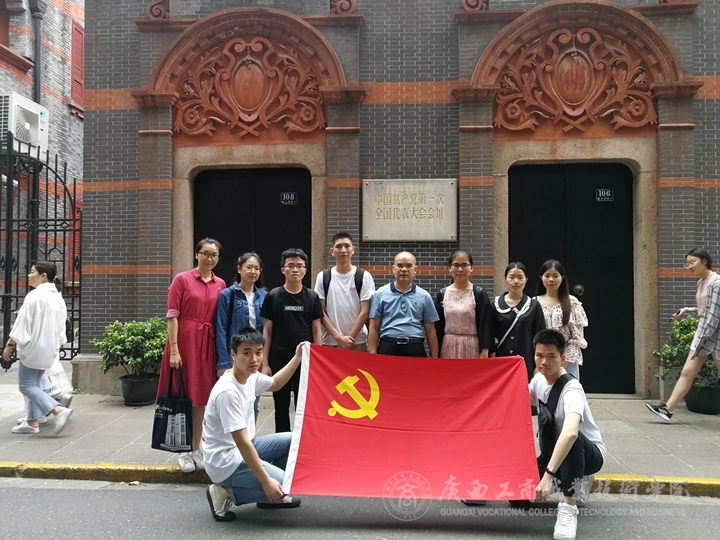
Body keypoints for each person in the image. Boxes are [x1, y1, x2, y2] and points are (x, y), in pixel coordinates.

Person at [203, 328, 304, 522]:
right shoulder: (227, 392)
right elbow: (242, 442)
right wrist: (267, 481)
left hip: (241, 449)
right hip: (225, 462)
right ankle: (225, 491)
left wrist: (297, 357)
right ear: (233, 354)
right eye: (247, 353)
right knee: (285, 484)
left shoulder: (250, 376)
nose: (254, 359)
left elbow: (275, 383)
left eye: (258, 352)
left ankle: (270, 496)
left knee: (294, 441)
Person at [158, 238, 226, 473]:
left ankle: (198, 448)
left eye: (214, 255)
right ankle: (184, 450)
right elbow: (172, 315)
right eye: (205, 253)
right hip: (185, 342)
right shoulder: (182, 279)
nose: (209, 258)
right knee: (183, 396)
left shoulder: (220, 284)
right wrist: (174, 349)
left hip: (207, 345)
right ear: (197, 254)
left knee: (201, 399)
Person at [530, 329, 605, 540]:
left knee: (572, 437)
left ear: (562, 358)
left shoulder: (572, 390)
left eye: (551, 356)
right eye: (539, 355)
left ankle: (568, 508)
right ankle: (565, 480)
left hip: (588, 454)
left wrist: (547, 476)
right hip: (554, 453)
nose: (544, 362)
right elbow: (514, 404)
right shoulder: (538, 381)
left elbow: (571, 433)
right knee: (518, 496)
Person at [647, 248, 720, 422]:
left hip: (714, 334)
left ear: (704, 261)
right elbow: (705, 309)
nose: (689, 266)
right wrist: (687, 310)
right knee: (687, 372)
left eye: (693, 262)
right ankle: (667, 410)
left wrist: (703, 339)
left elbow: (714, 315)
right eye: (688, 263)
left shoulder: (716, 283)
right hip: (705, 332)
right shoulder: (701, 282)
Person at [4, 261, 73, 435]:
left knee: (27, 386)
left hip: (33, 348)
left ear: (43, 276)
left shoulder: (34, 296)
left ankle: (58, 410)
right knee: (35, 385)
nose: (29, 275)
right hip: (49, 348)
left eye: (32, 272)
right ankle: (32, 422)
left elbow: (22, 323)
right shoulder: (58, 297)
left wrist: (9, 345)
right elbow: (61, 325)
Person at [260, 248, 323, 432]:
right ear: (283, 270)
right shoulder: (274, 296)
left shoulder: (312, 297)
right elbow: (267, 330)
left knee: (304, 406)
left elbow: (316, 329)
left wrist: (317, 363)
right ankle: (282, 442)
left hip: (304, 360)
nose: (295, 269)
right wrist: (265, 363)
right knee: (280, 406)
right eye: (290, 266)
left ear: (305, 270)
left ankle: (302, 441)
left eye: (299, 266)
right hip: (279, 359)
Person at [216, 252, 267, 420]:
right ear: (239, 269)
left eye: (257, 268)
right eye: (249, 267)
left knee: (253, 402)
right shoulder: (227, 295)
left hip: (256, 355)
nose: (253, 271)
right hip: (235, 356)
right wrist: (223, 363)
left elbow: (267, 329)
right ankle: (234, 435)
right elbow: (221, 329)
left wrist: (265, 359)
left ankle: (249, 434)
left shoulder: (264, 296)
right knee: (234, 401)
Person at [368, 251, 440, 358]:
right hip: (387, 348)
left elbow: (430, 330)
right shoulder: (380, 294)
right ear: (393, 269)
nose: (404, 269)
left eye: (409, 266)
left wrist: (434, 358)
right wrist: (372, 356)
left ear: (415, 270)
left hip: (415, 349)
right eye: (400, 265)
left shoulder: (425, 296)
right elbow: (374, 327)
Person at [314, 232, 375, 352]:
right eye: (338, 246)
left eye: (347, 246)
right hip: (330, 343)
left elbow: (365, 311)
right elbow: (320, 311)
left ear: (353, 250)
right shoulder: (323, 277)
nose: (343, 250)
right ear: (332, 251)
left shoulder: (363, 276)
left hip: (357, 342)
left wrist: (348, 339)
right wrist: (338, 338)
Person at [434, 250, 495, 359]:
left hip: (472, 346)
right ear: (449, 268)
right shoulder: (442, 294)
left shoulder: (479, 294)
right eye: (456, 265)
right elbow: (437, 327)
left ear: (471, 268)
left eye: (464, 265)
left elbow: (486, 325)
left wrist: (485, 350)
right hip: (448, 346)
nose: (460, 269)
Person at [535, 260, 588, 380]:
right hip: (541, 359)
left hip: (566, 359)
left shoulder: (572, 303)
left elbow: (577, 338)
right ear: (541, 277)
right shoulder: (533, 303)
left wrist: (562, 363)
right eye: (547, 276)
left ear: (562, 278)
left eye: (555, 276)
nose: (551, 280)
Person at [492, 262, 546, 380]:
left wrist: (539, 363)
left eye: (520, 277)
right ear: (505, 279)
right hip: (501, 362)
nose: (516, 281)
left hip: (526, 362)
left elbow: (540, 337)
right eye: (511, 277)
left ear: (526, 280)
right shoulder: (495, 305)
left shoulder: (534, 306)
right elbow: (489, 335)